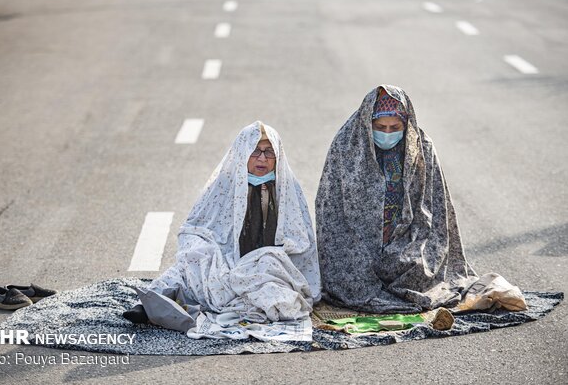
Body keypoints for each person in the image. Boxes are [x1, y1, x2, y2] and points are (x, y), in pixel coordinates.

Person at [124, 121, 321, 324]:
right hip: (223, 255)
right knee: (191, 262)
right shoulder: (226, 182)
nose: (262, 158)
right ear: (242, 152)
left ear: (278, 155)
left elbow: (301, 238)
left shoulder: (287, 187)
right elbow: (195, 226)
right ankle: (148, 305)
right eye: (255, 151)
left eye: (269, 152)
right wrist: (205, 247)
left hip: (265, 264)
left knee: (273, 288)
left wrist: (271, 254)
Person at [315, 85, 481, 314]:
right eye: (380, 127)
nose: (387, 132)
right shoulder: (346, 146)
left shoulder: (421, 148)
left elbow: (437, 207)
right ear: (367, 122)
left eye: (395, 127)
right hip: (356, 246)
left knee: (419, 271)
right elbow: (329, 209)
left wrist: (412, 243)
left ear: (406, 123)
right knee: (350, 280)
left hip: (406, 244)